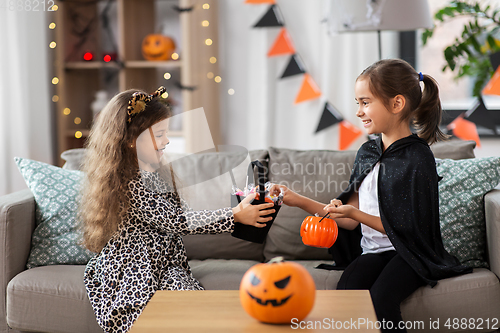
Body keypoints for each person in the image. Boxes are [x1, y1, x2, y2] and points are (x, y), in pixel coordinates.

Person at [270, 59, 471, 332]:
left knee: (381, 298)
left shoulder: (418, 157)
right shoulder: (368, 152)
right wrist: (297, 200)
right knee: (348, 293)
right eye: (357, 103)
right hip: (373, 251)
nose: (359, 111)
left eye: (365, 102)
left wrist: (355, 213)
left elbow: (409, 229)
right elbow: (350, 220)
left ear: (397, 104)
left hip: (410, 254)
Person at [79, 87, 275, 333]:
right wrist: (233, 215)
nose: (167, 141)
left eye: (166, 134)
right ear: (131, 140)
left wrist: (236, 206)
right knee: (143, 318)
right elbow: (175, 220)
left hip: (167, 263)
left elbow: (180, 215)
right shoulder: (128, 180)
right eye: (159, 135)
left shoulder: (152, 171)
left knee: (193, 305)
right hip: (135, 265)